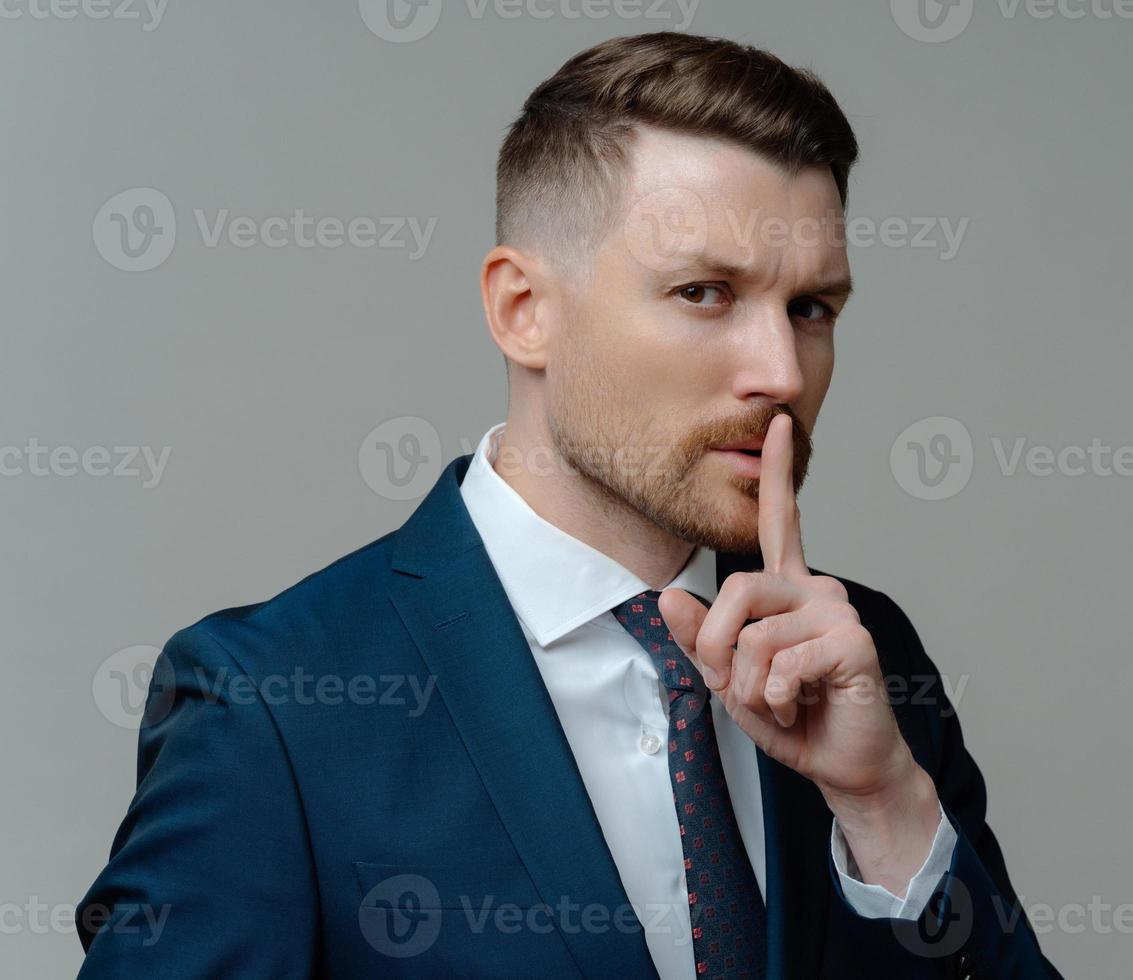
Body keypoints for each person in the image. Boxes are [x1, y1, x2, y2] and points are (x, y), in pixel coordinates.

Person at [77, 31, 1061, 979]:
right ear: (524, 310)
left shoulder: (866, 655)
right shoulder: (273, 705)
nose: (780, 373)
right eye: (705, 292)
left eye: (811, 309)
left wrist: (887, 806)